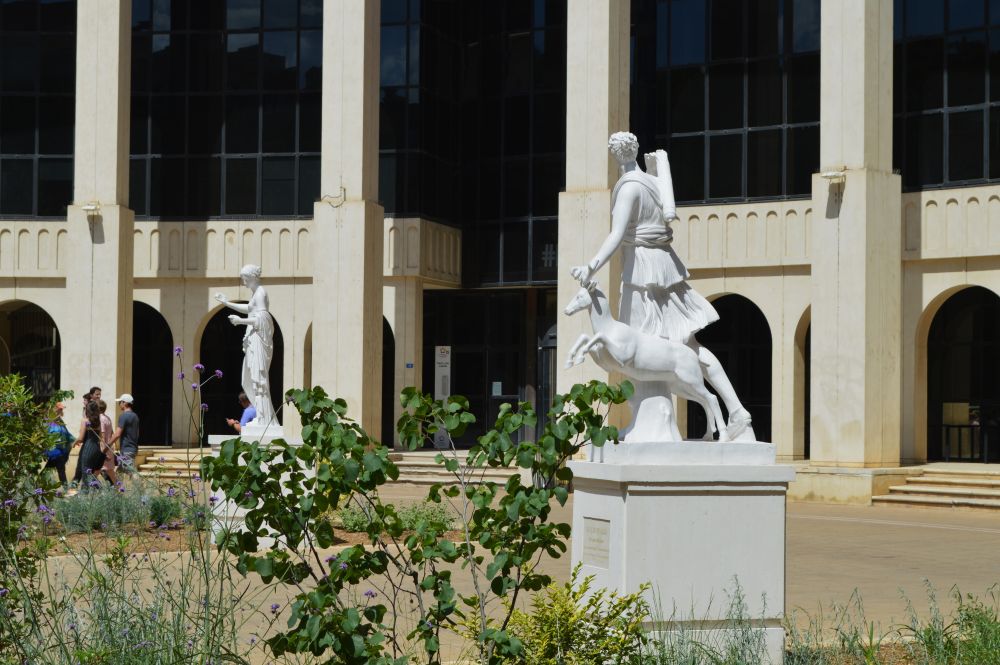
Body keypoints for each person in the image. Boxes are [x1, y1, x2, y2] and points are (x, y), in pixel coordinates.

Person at [570, 131, 752, 441]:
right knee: (688, 347)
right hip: (665, 266)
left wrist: (591, 265)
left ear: (615, 156)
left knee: (640, 350)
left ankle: (664, 423)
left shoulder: (628, 189)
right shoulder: (654, 182)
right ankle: (736, 412)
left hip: (642, 272)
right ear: (636, 150)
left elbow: (616, 236)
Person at [215, 264, 276, 430]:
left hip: (258, 339)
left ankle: (264, 418)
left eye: (245, 279)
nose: (243, 282)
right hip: (252, 339)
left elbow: (263, 318)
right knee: (249, 378)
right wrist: (226, 303)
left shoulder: (261, 293)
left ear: (253, 277)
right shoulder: (256, 293)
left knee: (259, 379)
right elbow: (250, 309)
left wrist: (240, 321)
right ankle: (262, 416)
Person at [74, 401, 116, 488]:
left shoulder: (85, 420)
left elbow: (81, 438)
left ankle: (85, 496)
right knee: (92, 474)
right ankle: (99, 492)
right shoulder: (99, 422)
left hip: (88, 448)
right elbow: (101, 439)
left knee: (86, 475)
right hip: (96, 449)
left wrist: (73, 443)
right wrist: (103, 453)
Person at [108, 394, 140, 473]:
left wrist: (108, 445)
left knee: (131, 471)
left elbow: (117, 434)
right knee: (120, 471)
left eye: (120, 402)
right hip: (132, 448)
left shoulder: (123, 416)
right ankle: (117, 485)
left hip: (127, 449)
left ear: (125, 403)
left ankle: (139, 485)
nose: (119, 404)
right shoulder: (135, 416)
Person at [44, 402, 74, 486]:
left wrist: (75, 441)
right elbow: (48, 435)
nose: (61, 411)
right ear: (55, 409)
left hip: (60, 452)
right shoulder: (50, 422)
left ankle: (38, 490)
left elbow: (67, 435)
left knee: (59, 472)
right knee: (58, 472)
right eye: (59, 409)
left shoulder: (60, 421)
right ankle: (66, 490)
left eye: (62, 409)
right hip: (54, 452)